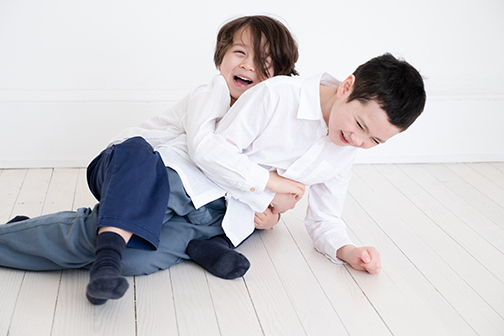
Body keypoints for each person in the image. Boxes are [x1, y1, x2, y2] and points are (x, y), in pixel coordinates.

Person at [0, 15, 299, 305]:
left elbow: (260, 179)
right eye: (239, 52)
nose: (248, 64)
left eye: (264, 61)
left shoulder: (268, 121)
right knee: (125, 213)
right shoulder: (212, 93)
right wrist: (268, 190)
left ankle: (191, 244)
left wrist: (271, 216)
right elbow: (204, 150)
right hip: (134, 165)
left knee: (137, 255)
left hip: (197, 202)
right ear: (221, 57)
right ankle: (24, 240)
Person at [186, 52, 426, 275]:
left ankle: (200, 245)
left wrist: (348, 251)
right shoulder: (278, 95)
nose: (357, 140)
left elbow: (325, 218)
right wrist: (269, 193)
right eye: (360, 125)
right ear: (346, 87)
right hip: (192, 183)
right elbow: (214, 154)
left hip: (228, 217)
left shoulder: (344, 149)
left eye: (374, 140)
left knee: (162, 248)